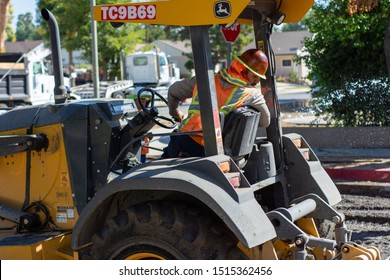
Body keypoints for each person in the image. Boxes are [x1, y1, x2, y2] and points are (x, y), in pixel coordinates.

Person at [161, 48, 271, 158]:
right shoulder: (252, 95)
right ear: (242, 69)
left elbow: (173, 91)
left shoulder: (205, 80)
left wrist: (175, 112)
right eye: (255, 76)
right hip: (211, 150)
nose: (257, 81)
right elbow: (265, 122)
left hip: (183, 140)